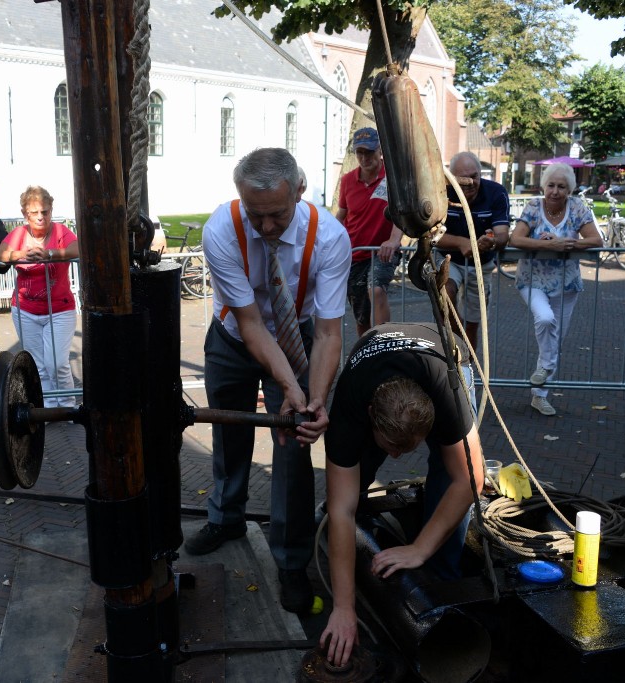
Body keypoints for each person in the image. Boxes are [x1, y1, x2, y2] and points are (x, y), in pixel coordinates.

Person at [185, 147, 351, 614]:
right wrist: (290, 385)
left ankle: (292, 561)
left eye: (277, 215)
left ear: (299, 190)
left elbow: (328, 331)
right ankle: (226, 516)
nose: (265, 228)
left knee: (296, 439)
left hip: (298, 333)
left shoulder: (330, 238)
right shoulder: (221, 229)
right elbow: (253, 324)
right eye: (255, 215)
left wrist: (312, 398)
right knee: (229, 428)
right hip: (236, 336)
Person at [320, 322, 484, 668]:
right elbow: (340, 510)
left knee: (449, 472)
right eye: (392, 446)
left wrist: (419, 549)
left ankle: (441, 582)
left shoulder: (445, 392)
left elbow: (471, 481)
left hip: (445, 357)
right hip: (373, 355)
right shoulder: (350, 407)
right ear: (369, 419)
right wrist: (343, 608)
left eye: (407, 447)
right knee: (349, 487)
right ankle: (352, 557)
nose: (398, 456)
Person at [509, 163, 602, 417]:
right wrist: (546, 244)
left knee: (554, 339)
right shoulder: (533, 207)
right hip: (532, 279)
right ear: (544, 186)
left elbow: (596, 239)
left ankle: (540, 395)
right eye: (551, 185)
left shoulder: (577, 208)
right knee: (546, 319)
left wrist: (569, 243)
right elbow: (515, 238)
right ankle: (545, 370)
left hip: (566, 283)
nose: (555, 191)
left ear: (569, 189)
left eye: (561, 187)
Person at [0, 186, 78, 408]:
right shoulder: (19, 234)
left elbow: (79, 248)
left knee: (57, 362)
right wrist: (20, 254)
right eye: (34, 213)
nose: (41, 217)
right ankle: (48, 407)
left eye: (45, 212)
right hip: (25, 310)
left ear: (51, 211)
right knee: (38, 364)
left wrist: (51, 254)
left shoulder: (59, 232)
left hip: (59, 309)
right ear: (25, 214)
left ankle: (67, 405)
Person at [432, 151, 510, 352]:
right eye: (463, 178)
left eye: (475, 176)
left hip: (480, 264)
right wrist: (461, 242)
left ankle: (468, 369)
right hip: (448, 258)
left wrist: (491, 241)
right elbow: (430, 234)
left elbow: (502, 234)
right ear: (451, 178)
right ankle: (457, 345)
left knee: (473, 322)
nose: (470, 182)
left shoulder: (496, 192)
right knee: (444, 293)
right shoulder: (439, 192)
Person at [335, 127, 404, 336]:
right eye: (360, 153)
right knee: (361, 315)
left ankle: (383, 344)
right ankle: (367, 355)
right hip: (355, 253)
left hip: (381, 251)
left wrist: (393, 240)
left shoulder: (393, 177)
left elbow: (402, 213)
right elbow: (342, 214)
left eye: (369, 152)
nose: (364, 158)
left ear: (380, 151)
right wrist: (328, 240)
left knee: (376, 289)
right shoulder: (347, 180)